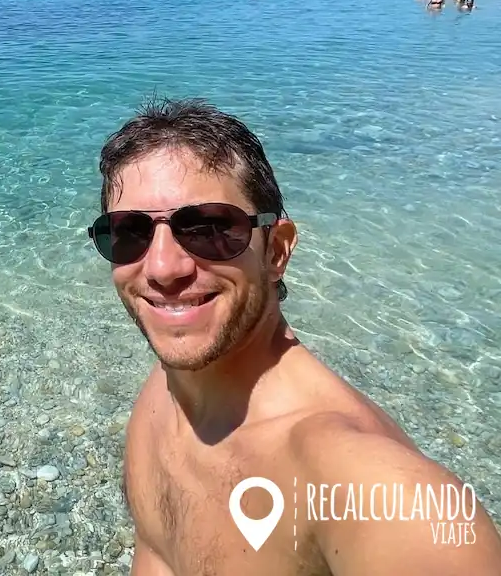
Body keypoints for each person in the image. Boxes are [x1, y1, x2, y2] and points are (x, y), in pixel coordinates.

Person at [89, 97, 501, 574]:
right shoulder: (164, 394)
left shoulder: (383, 492)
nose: (162, 268)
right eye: (129, 233)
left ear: (277, 250)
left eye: (208, 229)